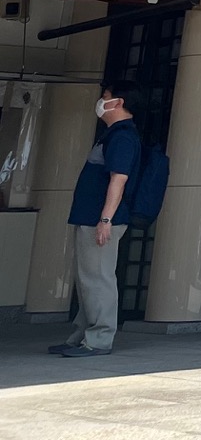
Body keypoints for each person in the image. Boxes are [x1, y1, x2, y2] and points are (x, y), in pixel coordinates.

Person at [50, 81, 140, 358]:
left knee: (98, 278)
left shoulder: (122, 136)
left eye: (106, 97)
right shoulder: (112, 135)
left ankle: (99, 339)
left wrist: (105, 219)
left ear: (119, 102)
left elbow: (119, 179)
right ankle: (82, 335)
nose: (101, 102)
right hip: (92, 217)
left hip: (100, 220)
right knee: (87, 278)